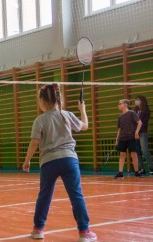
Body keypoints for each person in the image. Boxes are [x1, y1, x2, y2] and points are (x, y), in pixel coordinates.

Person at [22, 83, 97, 241]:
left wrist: (27, 160)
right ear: (58, 99)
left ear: (42, 101)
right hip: (69, 160)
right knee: (76, 196)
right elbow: (85, 126)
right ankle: (84, 232)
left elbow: (34, 142)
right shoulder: (67, 115)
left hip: (48, 162)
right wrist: (83, 110)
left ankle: (38, 229)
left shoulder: (39, 120)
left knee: (44, 196)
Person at [114, 99, 143, 179]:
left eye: (120, 104)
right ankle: (120, 172)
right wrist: (117, 139)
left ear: (125, 104)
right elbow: (119, 129)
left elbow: (140, 123)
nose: (118, 105)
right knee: (122, 154)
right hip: (122, 138)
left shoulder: (131, 113)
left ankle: (137, 172)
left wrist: (136, 132)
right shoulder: (120, 117)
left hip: (131, 137)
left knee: (133, 154)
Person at [133, 95, 153, 175]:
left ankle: (151, 167)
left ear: (142, 101)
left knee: (145, 150)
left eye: (138, 100)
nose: (136, 101)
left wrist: (137, 128)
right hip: (135, 133)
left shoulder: (146, 111)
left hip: (142, 133)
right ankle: (141, 168)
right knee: (137, 151)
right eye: (136, 100)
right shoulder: (134, 111)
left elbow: (143, 123)